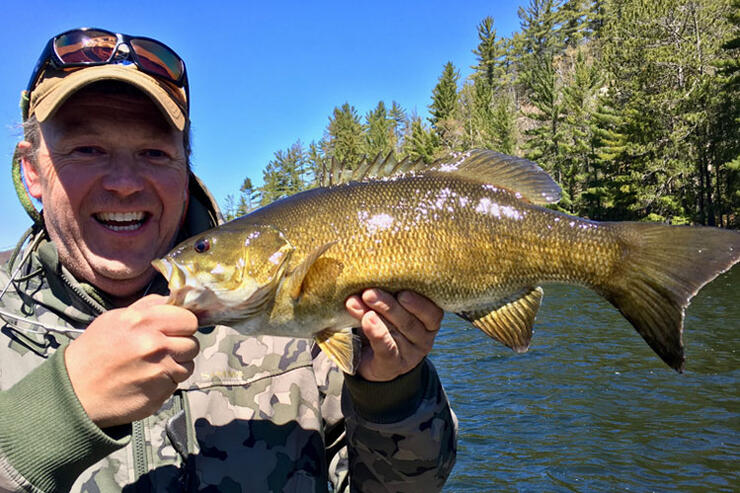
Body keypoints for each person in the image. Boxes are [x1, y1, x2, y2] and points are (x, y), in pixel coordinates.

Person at [0, 28, 457, 492]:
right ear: (32, 171)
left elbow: (402, 487)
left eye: (154, 153)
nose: (124, 182)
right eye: (87, 150)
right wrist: (57, 412)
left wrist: (392, 390)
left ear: (185, 168)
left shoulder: (299, 329)